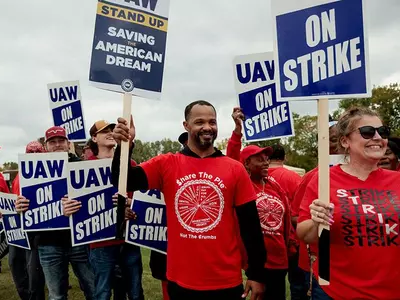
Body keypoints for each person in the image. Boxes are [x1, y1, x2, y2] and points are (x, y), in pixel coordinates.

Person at [112, 100, 266, 300]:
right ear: (186, 125)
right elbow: (124, 181)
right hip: (180, 281)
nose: (207, 127)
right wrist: (125, 145)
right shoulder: (166, 163)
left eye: (212, 122)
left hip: (226, 281)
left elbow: (251, 226)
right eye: (199, 122)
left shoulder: (235, 169)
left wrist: (256, 274)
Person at [297, 107, 400, 299]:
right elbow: (305, 235)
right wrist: (317, 221)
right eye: (367, 132)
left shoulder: (397, 181)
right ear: (345, 141)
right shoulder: (324, 179)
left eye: (383, 132)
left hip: (392, 290)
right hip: (335, 290)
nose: (377, 137)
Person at [62, 120, 144, 300]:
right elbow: (72, 204)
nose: (110, 133)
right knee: (102, 292)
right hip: (100, 244)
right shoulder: (82, 168)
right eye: (103, 131)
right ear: (94, 138)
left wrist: (131, 203)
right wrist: (68, 208)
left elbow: (140, 198)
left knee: (135, 291)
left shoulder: (129, 163)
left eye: (111, 130)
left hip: (128, 239)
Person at [15, 126, 95, 300]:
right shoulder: (32, 170)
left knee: (93, 289)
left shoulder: (83, 167)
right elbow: (25, 202)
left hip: (79, 240)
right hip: (48, 243)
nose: (57, 145)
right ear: (46, 146)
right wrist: (20, 206)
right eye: (53, 142)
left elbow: (94, 201)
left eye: (61, 141)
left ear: (68, 143)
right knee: (56, 295)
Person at [227, 108, 293, 300]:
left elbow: (286, 219)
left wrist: (291, 246)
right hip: (257, 263)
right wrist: (238, 131)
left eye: (267, 159)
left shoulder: (275, 187)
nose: (266, 163)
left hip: (280, 261)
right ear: (246, 164)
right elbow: (231, 159)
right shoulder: (242, 186)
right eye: (260, 159)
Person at [292, 121, 341, 298]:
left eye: (343, 139)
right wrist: (317, 221)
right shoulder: (314, 177)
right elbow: (295, 217)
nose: (339, 146)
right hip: (318, 263)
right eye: (333, 140)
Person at [4, 141, 47, 300]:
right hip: (16, 228)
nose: (34, 156)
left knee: (33, 270)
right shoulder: (19, 176)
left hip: (34, 230)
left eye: (37, 153)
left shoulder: (46, 175)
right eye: (31, 153)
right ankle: (25, 296)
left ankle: (34, 296)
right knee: (15, 264)